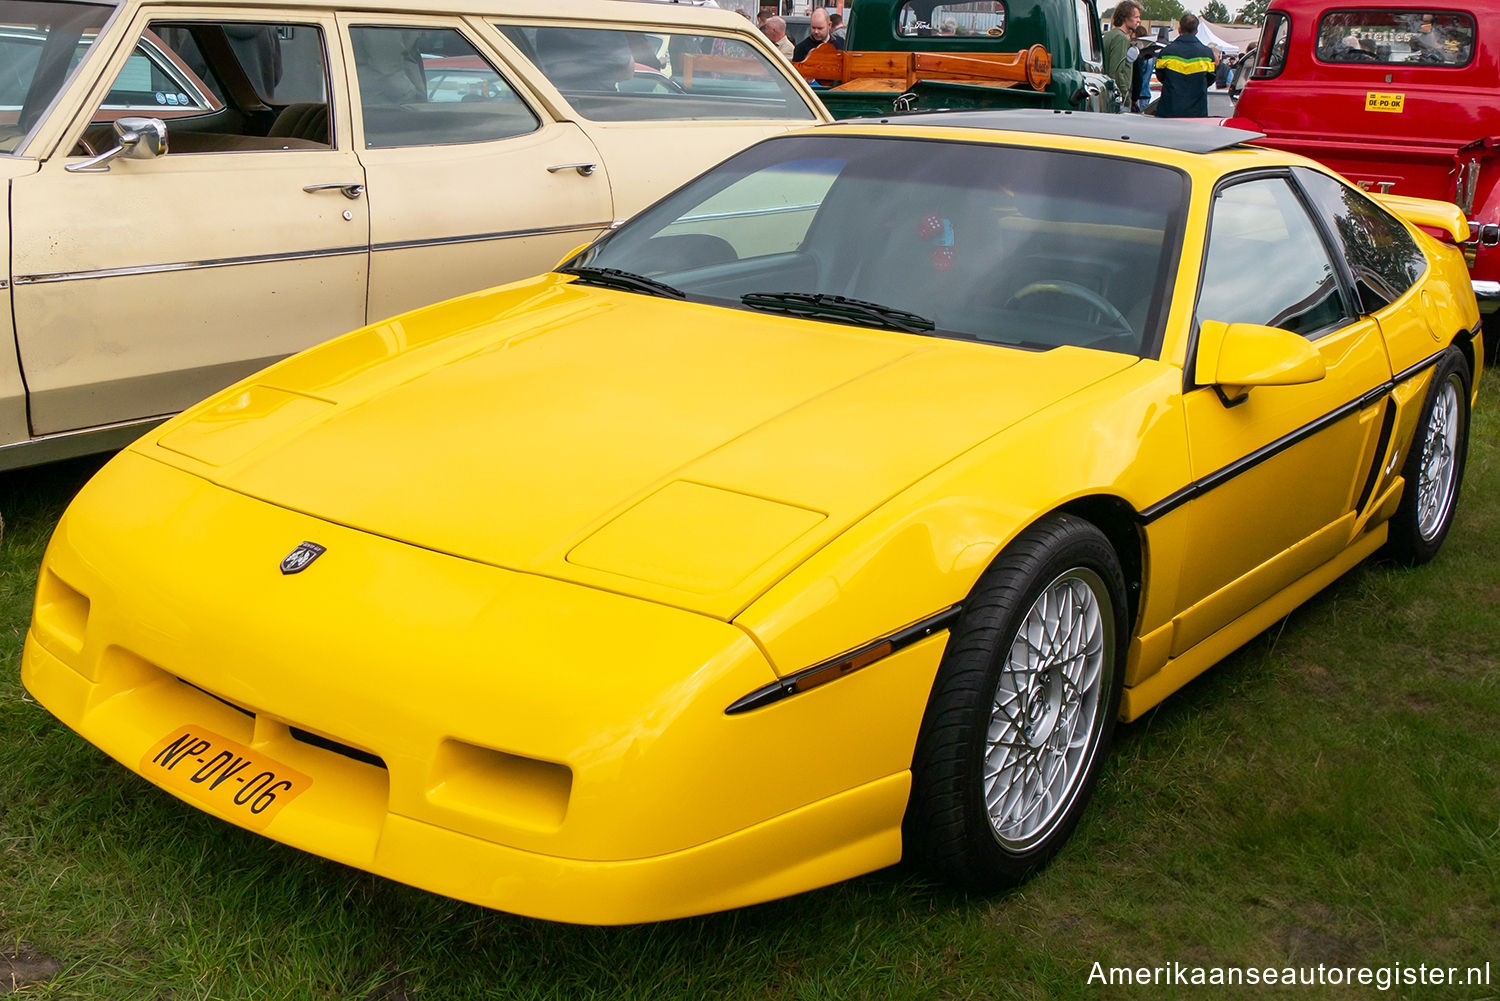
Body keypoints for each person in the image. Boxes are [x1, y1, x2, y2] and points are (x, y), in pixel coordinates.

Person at [1154, 12, 1215, 117]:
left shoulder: (1166, 52)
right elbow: (1210, 79)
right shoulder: (1207, 54)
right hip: (1197, 113)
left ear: (1179, 29)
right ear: (1196, 31)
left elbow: (1160, 76)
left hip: (1169, 112)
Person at [1102, 1, 1142, 112]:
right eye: (1136, 17)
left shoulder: (1109, 35)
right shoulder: (1121, 38)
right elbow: (1116, 71)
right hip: (1118, 99)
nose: (1139, 20)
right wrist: (1126, 97)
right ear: (1125, 17)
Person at [1128, 23, 1159, 112]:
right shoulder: (1152, 56)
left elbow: (1138, 75)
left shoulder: (1139, 56)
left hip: (1138, 94)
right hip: (1146, 92)